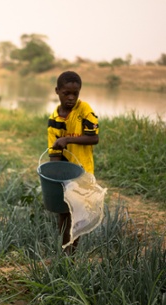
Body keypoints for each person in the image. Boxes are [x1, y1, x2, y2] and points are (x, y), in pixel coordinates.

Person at [47, 71, 100, 255]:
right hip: (64, 172)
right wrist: (54, 175)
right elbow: (54, 151)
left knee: (77, 213)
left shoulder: (84, 110)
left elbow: (94, 138)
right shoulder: (54, 118)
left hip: (82, 171)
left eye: (74, 94)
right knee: (63, 211)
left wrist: (68, 140)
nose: (70, 98)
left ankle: (72, 255)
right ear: (57, 91)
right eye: (66, 93)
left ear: (79, 93)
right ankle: (64, 251)